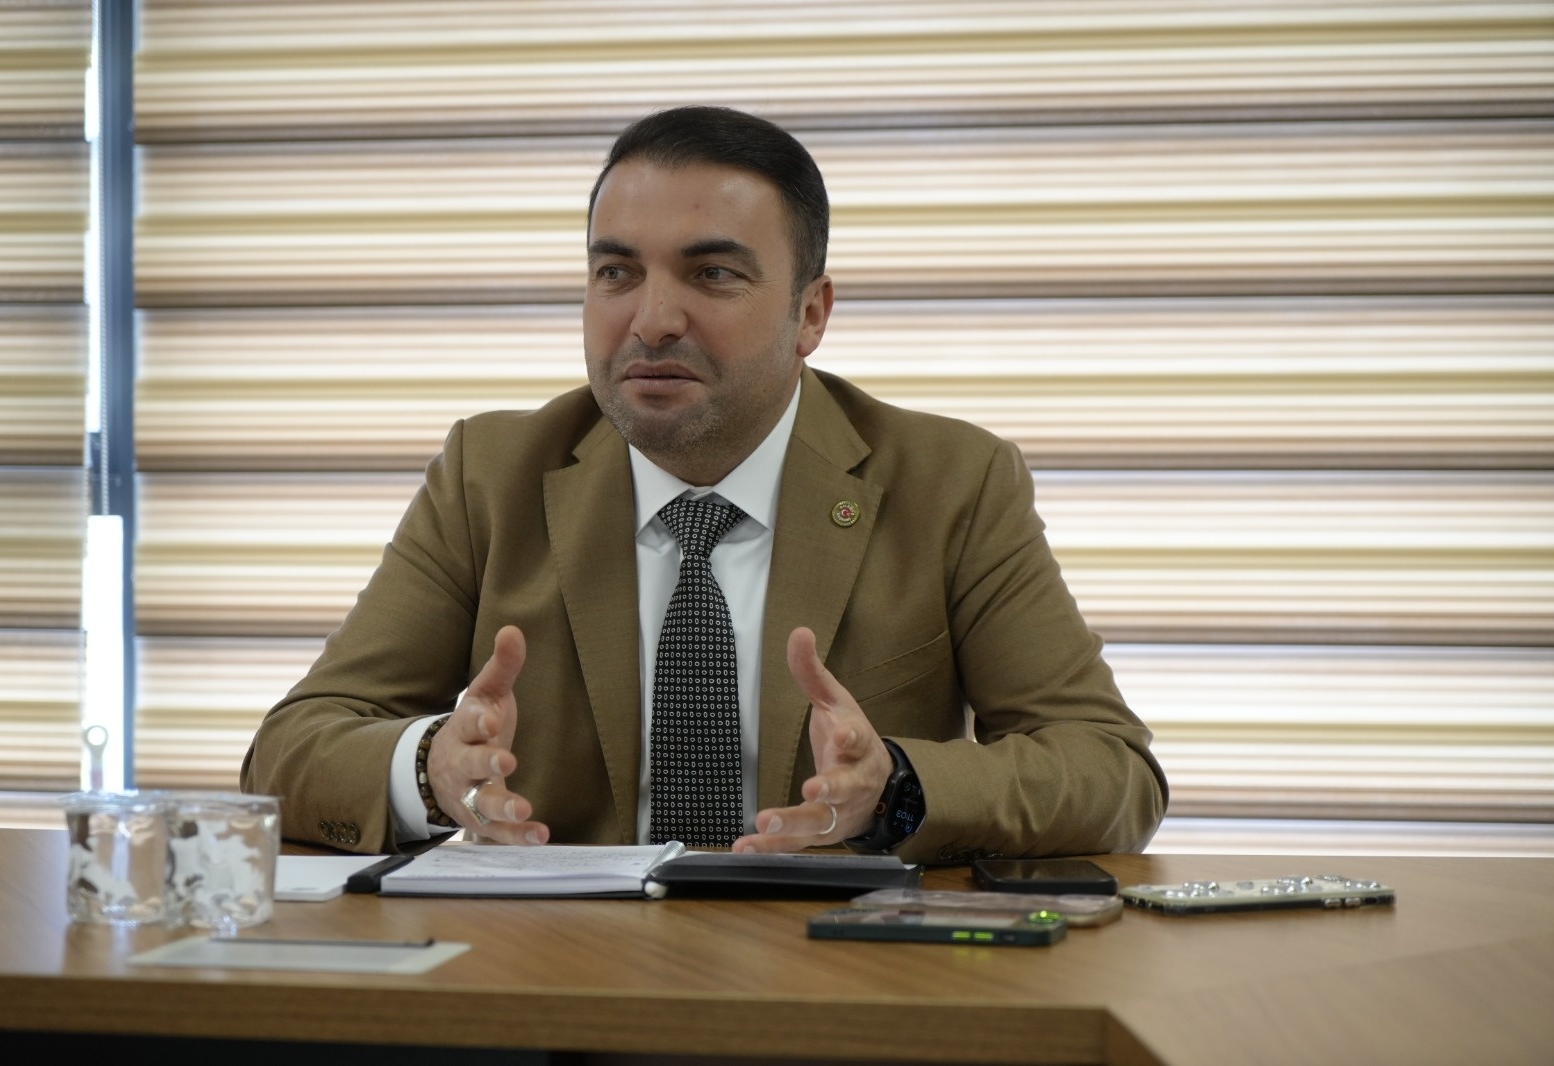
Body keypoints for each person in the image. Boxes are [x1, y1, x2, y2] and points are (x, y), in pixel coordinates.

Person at [241, 105, 1166, 863]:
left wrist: (898, 787)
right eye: (616, 272)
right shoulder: (491, 476)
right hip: (556, 975)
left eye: (712, 274)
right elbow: (289, 751)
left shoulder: (951, 483)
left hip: (840, 978)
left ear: (811, 314)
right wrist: (428, 768)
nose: (652, 320)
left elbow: (1110, 769)